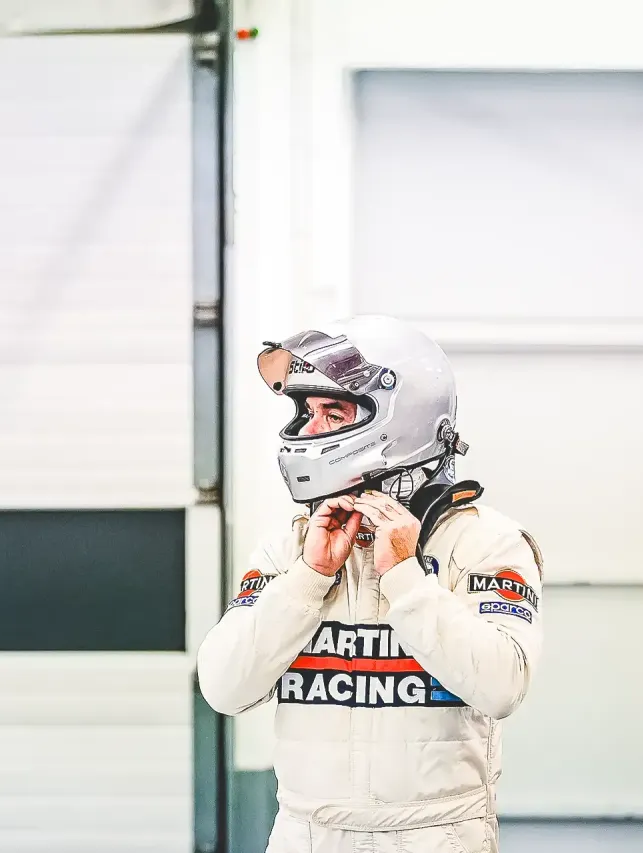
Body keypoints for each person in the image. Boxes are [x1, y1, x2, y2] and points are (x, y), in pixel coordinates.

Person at [197, 315, 544, 853]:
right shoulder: (290, 548)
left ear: (399, 422)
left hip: (437, 837)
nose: (308, 431)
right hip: (306, 834)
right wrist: (309, 579)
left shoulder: (486, 542)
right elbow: (224, 688)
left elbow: (501, 687)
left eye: (332, 413)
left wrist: (405, 576)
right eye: (307, 413)